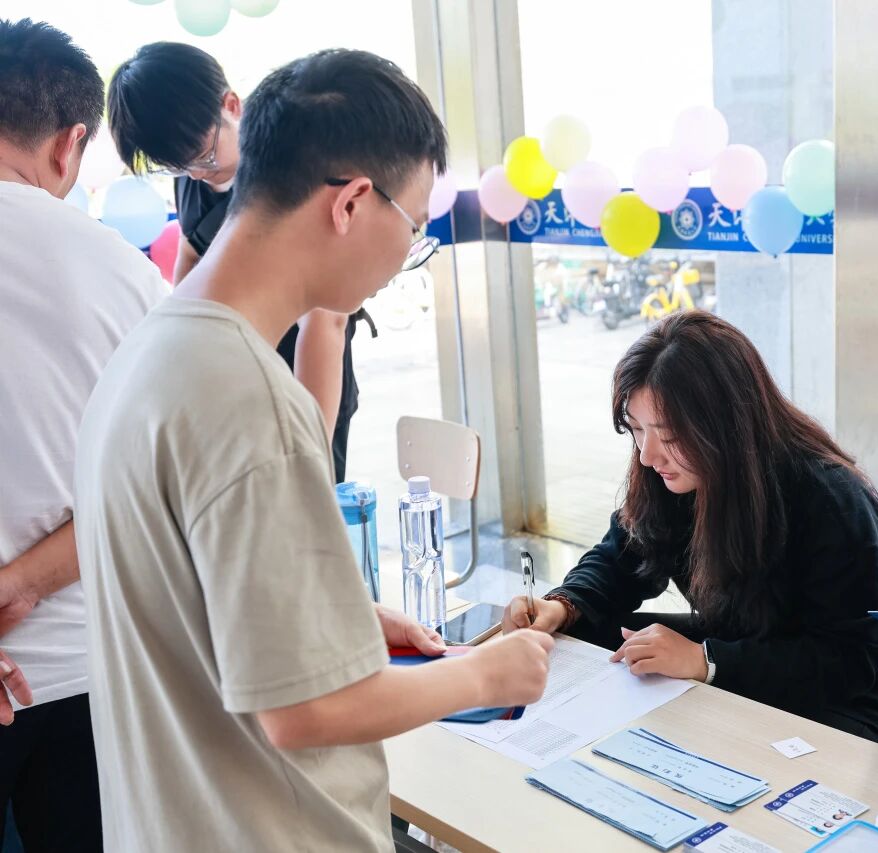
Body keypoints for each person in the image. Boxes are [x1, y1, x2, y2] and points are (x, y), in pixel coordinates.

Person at [75, 49, 552, 852]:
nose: (405, 258)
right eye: (414, 227)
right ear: (353, 202)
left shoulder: (150, 353)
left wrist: (340, 618)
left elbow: (185, 601)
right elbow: (304, 711)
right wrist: (485, 673)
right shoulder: (250, 398)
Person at [503, 310, 878, 752]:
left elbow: (845, 662)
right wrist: (563, 605)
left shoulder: (829, 498)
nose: (648, 455)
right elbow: (622, 558)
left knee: (691, 712)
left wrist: (705, 660)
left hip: (857, 700)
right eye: (636, 430)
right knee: (591, 636)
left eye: (668, 435)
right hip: (744, 644)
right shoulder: (674, 475)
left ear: (726, 425)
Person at [0, 18, 169, 851]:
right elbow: (154, 488)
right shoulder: (128, 274)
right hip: (88, 672)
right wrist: (23, 584)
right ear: (70, 144)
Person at [107, 42, 364, 480]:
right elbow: (191, 252)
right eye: (177, 166)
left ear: (231, 106)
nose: (196, 173)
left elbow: (325, 323)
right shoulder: (193, 177)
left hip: (303, 376)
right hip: (233, 385)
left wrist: (311, 457)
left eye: (204, 155)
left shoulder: (294, 171)